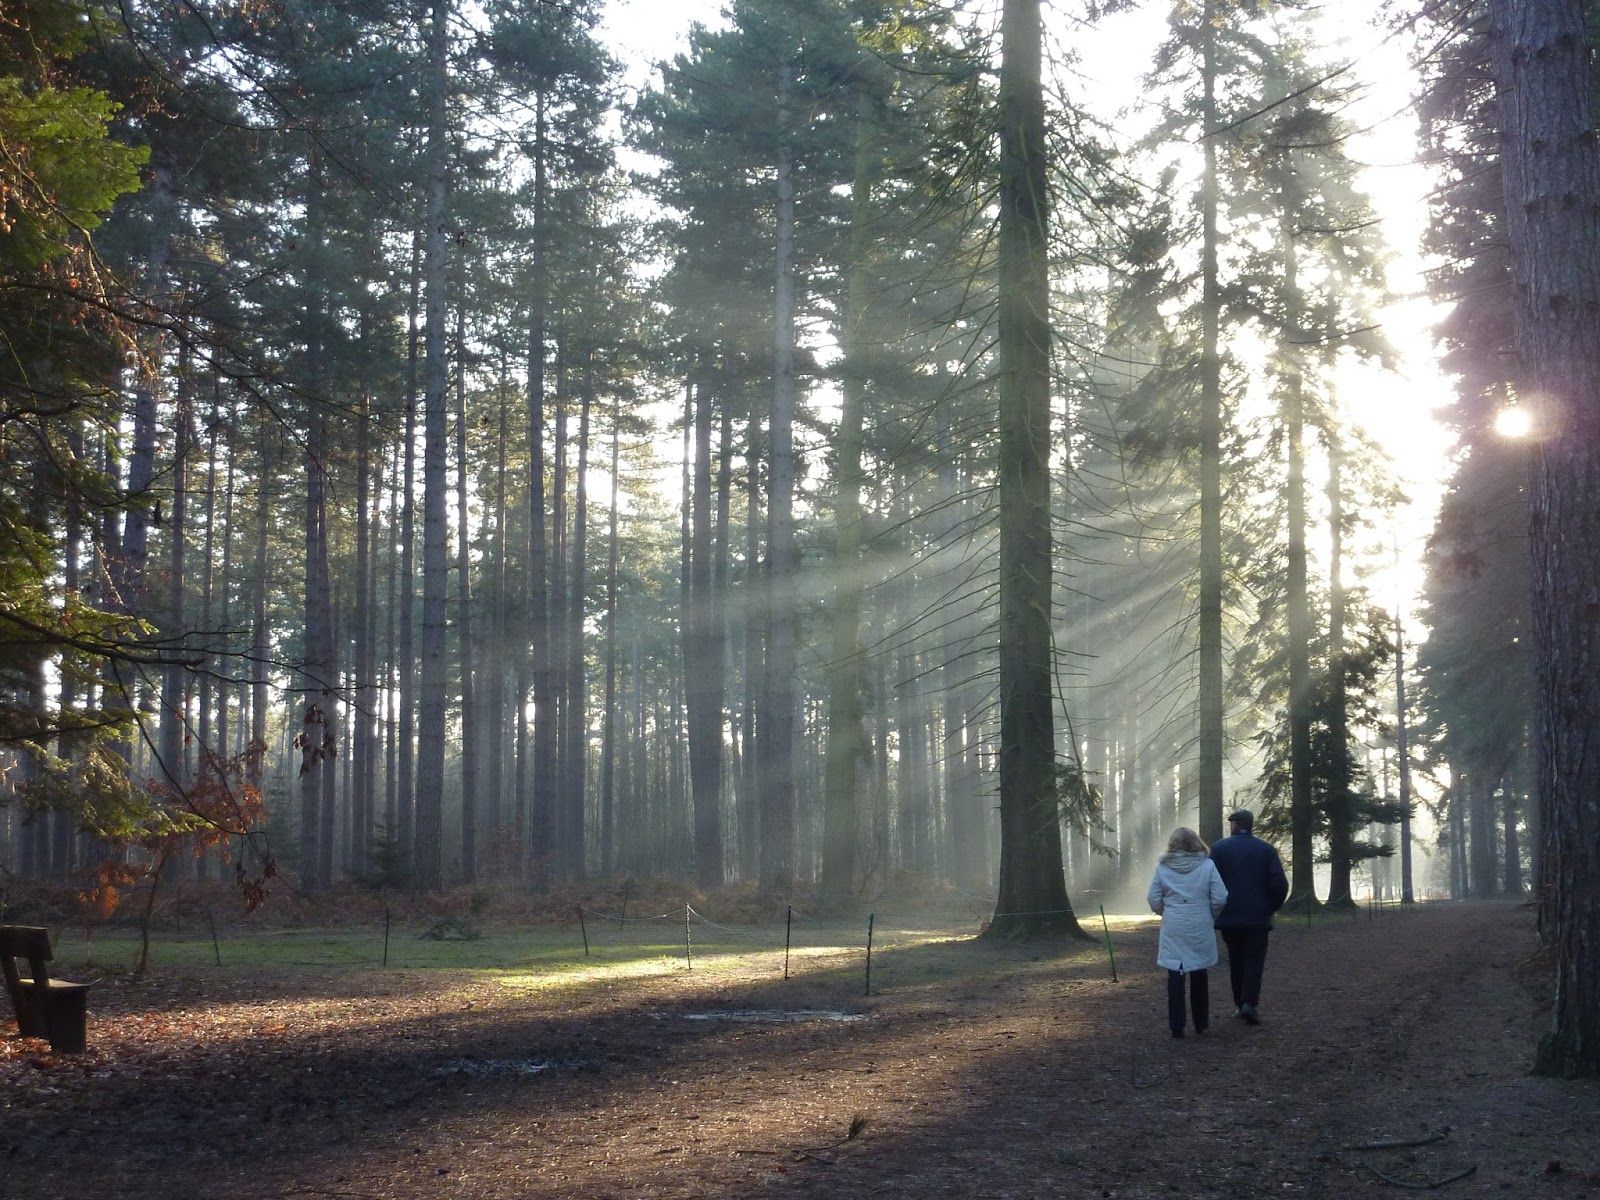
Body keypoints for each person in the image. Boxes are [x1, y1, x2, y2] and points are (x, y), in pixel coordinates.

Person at [1208, 808, 1289, 1025]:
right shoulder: (1266, 850)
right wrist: (1272, 906)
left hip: (1229, 916)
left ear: (1235, 825)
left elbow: (1210, 881)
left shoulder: (1219, 849)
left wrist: (1215, 909)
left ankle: (1239, 1003)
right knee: (1254, 959)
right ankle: (1248, 1003)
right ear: (1250, 825)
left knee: (1235, 959)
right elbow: (1279, 884)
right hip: (1257, 918)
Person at [1147, 827, 1229, 1038]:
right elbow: (1220, 896)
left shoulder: (1163, 868)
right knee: (1199, 970)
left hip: (1174, 922)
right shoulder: (1207, 865)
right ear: (1196, 843)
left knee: (1175, 972)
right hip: (1199, 920)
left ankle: (1177, 1026)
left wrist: (1166, 911)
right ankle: (1201, 1023)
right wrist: (1210, 913)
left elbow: (1153, 898)